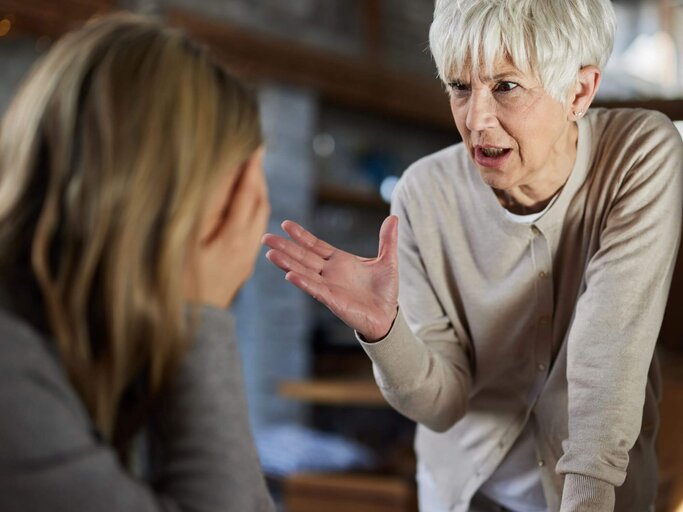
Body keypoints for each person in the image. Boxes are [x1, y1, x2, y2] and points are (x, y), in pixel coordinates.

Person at [262, 0, 683, 511]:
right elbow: (442, 404)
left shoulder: (639, 153)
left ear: (579, 91)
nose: (475, 119)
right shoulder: (422, 195)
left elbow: (609, 352)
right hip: (466, 495)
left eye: (506, 86)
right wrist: (385, 332)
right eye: (460, 87)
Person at [0, 13, 274, 512]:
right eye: (234, 196)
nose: (246, 229)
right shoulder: (9, 364)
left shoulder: (94, 333)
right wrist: (204, 316)